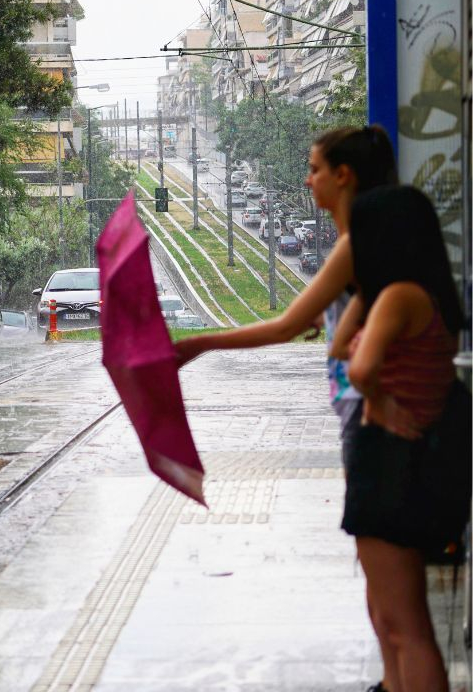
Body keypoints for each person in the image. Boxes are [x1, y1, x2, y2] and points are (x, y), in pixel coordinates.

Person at [173, 125, 398, 692]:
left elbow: (288, 324)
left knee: (391, 586)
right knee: (383, 582)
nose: (307, 178)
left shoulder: (358, 244)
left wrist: (200, 343)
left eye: (315, 168)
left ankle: (400, 679)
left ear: (343, 176)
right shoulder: (369, 237)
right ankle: (393, 680)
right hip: (363, 410)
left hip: (373, 412)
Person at [329, 186, 466, 692]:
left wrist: (380, 403)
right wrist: (367, 289)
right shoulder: (409, 295)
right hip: (402, 466)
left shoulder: (399, 297)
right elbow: (341, 344)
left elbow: (358, 364)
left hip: (391, 464)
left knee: (407, 627)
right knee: (395, 621)